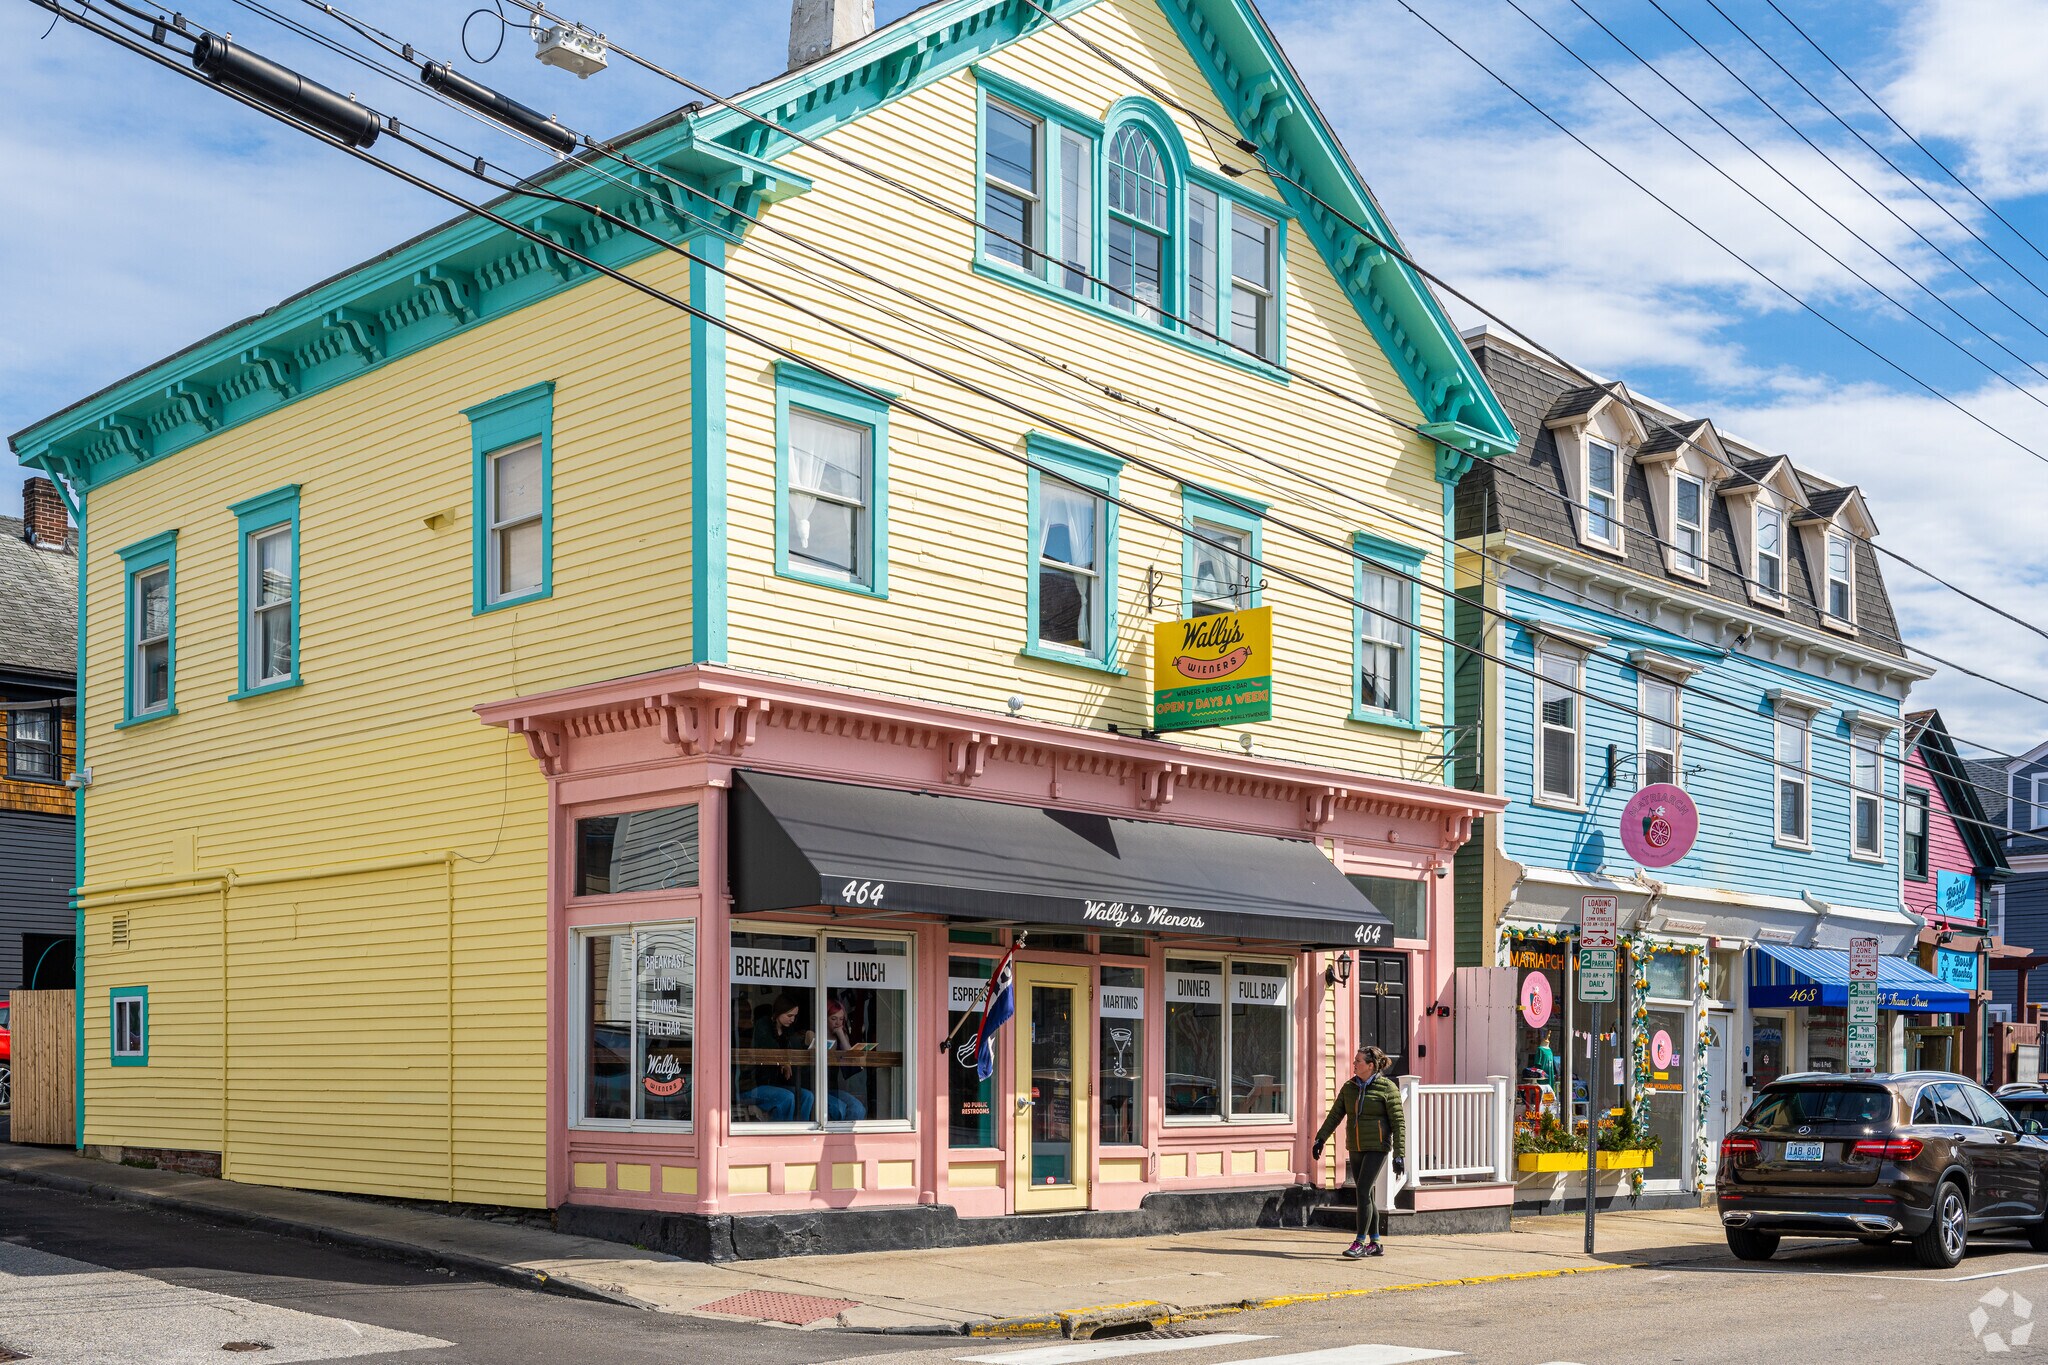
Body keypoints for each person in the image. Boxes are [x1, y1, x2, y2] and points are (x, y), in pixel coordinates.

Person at [1311, 1045, 1407, 1259]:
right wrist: (1320, 1138)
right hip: (1355, 1146)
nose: (1354, 1064)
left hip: (1377, 1147)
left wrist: (1400, 1154)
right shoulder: (1349, 1087)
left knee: (1362, 1190)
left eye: (1358, 1061)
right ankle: (1375, 1242)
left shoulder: (1387, 1088)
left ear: (1370, 1066)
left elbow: (1399, 1123)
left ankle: (1360, 1242)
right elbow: (1335, 1116)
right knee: (1367, 1193)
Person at [737, 994, 814, 1122]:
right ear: (779, 1012)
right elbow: (768, 1049)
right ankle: (785, 1134)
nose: (792, 1020)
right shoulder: (763, 1025)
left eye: (795, 1016)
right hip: (752, 1086)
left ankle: (801, 1131)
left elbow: (794, 1050)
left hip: (774, 1085)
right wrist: (784, 1062)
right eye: (789, 1016)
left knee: (808, 1096)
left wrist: (807, 1042)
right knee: (787, 1097)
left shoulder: (788, 1030)